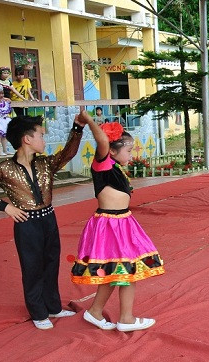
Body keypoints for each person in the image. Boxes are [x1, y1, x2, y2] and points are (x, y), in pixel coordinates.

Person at [0, 113, 84, 329]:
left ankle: (53, 307)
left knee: (51, 264)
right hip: (27, 224)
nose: (44, 140)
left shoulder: (45, 163)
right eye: (41, 135)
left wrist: (77, 129)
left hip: (48, 219)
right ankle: (38, 312)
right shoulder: (4, 169)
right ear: (27, 139)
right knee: (32, 267)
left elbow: (68, 154)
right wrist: (5, 207)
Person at [70, 120, 165, 332]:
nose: (131, 155)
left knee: (115, 271)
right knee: (127, 271)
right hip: (110, 225)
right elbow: (102, 139)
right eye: (128, 150)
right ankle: (126, 319)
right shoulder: (102, 163)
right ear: (111, 151)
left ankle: (95, 311)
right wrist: (87, 119)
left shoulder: (113, 166)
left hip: (122, 222)